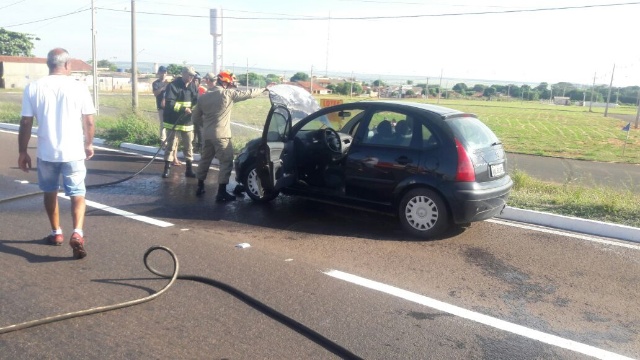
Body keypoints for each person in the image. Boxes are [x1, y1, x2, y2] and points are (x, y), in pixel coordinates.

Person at [18, 47, 96, 260]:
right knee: (78, 194)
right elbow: (88, 120)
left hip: (46, 152)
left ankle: (56, 233)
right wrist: (89, 144)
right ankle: (78, 233)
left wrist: (23, 151)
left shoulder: (33, 87)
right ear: (68, 65)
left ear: (49, 65)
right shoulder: (79, 87)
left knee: (50, 192)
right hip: (73, 152)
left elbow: (26, 121)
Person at [193, 70, 268, 202]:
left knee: (205, 160)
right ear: (226, 83)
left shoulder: (203, 97)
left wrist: (205, 127)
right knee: (226, 162)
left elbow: (195, 118)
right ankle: (221, 193)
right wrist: (263, 89)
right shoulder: (227, 94)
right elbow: (248, 94)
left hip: (207, 135)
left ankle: (200, 186)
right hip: (222, 136)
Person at [162, 66, 199, 178]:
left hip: (187, 122)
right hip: (173, 121)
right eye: (190, 75)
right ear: (183, 74)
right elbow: (170, 103)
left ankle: (189, 170)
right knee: (171, 145)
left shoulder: (193, 86)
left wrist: (195, 108)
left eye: (193, 75)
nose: (192, 77)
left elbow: (196, 100)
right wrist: (184, 109)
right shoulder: (173, 86)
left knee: (188, 146)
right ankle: (166, 169)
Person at [152, 65, 181, 166]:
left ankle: (169, 143)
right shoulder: (156, 83)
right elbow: (155, 93)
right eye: (162, 72)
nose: (163, 73)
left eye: (165, 72)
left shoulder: (169, 82)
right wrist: (163, 87)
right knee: (162, 124)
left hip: (169, 107)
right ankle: (163, 142)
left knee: (170, 126)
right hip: (161, 106)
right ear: (159, 73)